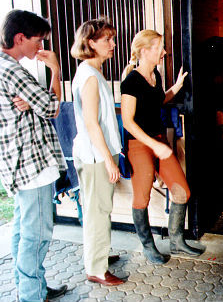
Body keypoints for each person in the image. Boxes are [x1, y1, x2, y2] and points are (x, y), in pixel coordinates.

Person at [0, 10, 68, 301]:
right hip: (32, 164)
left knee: (22, 230)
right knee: (36, 235)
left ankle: (31, 288)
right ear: (19, 38)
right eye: (38, 41)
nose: (41, 48)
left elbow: (40, 104)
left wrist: (35, 101)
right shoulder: (13, 70)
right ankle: (31, 295)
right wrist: (56, 70)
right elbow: (52, 107)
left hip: (16, 164)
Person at [121, 30, 203, 264]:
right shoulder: (131, 82)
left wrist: (176, 87)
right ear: (145, 51)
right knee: (141, 199)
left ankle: (176, 241)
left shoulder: (154, 74)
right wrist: (154, 146)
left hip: (159, 141)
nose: (165, 52)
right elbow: (128, 121)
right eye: (160, 47)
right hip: (140, 145)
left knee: (182, 192)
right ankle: (148, 246)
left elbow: (157, 101)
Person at [70, 18, 124, 286]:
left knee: (97, 209)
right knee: (98, 211)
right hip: (94, 156)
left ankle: (98, 256)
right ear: (90, 43)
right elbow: (91, 123)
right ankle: (96, 270)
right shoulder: (90, 76)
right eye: (107, 40)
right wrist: (108, 161)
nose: (113, 44)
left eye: (112, 39)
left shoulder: (92, 71)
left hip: (94, 152)